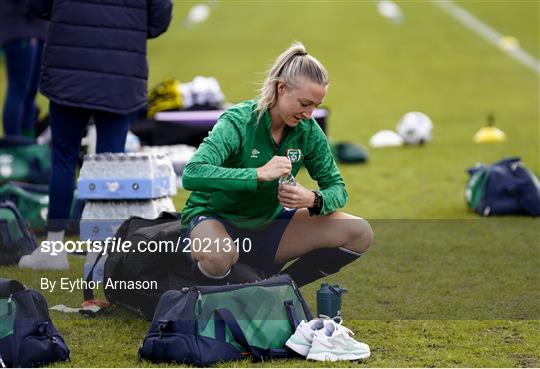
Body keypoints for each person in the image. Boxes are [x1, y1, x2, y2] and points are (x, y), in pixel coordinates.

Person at [181, 42, 374, 287]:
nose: (309, 114)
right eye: (304, 104)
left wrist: (313, 199)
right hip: (214, 219)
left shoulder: (309, 131)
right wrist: (258, 174)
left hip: (270, 225)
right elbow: (192, 173)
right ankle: (207, 298)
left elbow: (337, 188)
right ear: (281, 88)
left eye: (316, 106)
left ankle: (279, 289)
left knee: (359, 232)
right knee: (217, 257)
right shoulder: (238, 121)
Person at [19, 0, 173, 270]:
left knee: (64, 158)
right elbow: (159, 18)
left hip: (69, 62)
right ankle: (101, 255)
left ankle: (54, 248)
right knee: (110, 166)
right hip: (120, 66)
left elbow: (37, 5)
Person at [0, 0, 48, 138]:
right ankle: (14, 143)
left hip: (39, 31)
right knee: (18, 91)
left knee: (31, 93)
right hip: (19, 31)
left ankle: (28, 143)